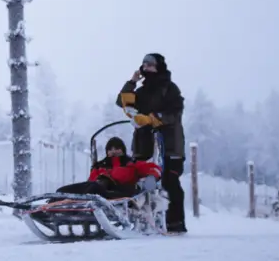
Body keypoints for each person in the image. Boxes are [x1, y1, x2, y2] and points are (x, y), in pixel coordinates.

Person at [115, 52, 187, 232]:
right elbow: (122, 102)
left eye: (150, 65)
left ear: (159, 67)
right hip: (143, 144)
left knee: (169, 182)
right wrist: (132, 82)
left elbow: (175, 113)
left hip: (169, 145)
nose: (147, 68)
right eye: (144, 65)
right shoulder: (141, 92)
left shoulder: (170, 89)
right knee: (139, 182)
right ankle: (142, 220)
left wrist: (153, 119)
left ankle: (175, 224)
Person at [57, 136, 161, 199]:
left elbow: (153, 168)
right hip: (95, 190)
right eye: (110, 149)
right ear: (107, 152)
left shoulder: (131, 163)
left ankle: (78, 200)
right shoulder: (99, 166)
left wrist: (152, 177)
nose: (114, 151)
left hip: (120, 192)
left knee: (95, 187)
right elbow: (91, 181)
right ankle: (56, 203)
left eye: (117, 148)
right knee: (62, 190)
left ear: (123, 150)